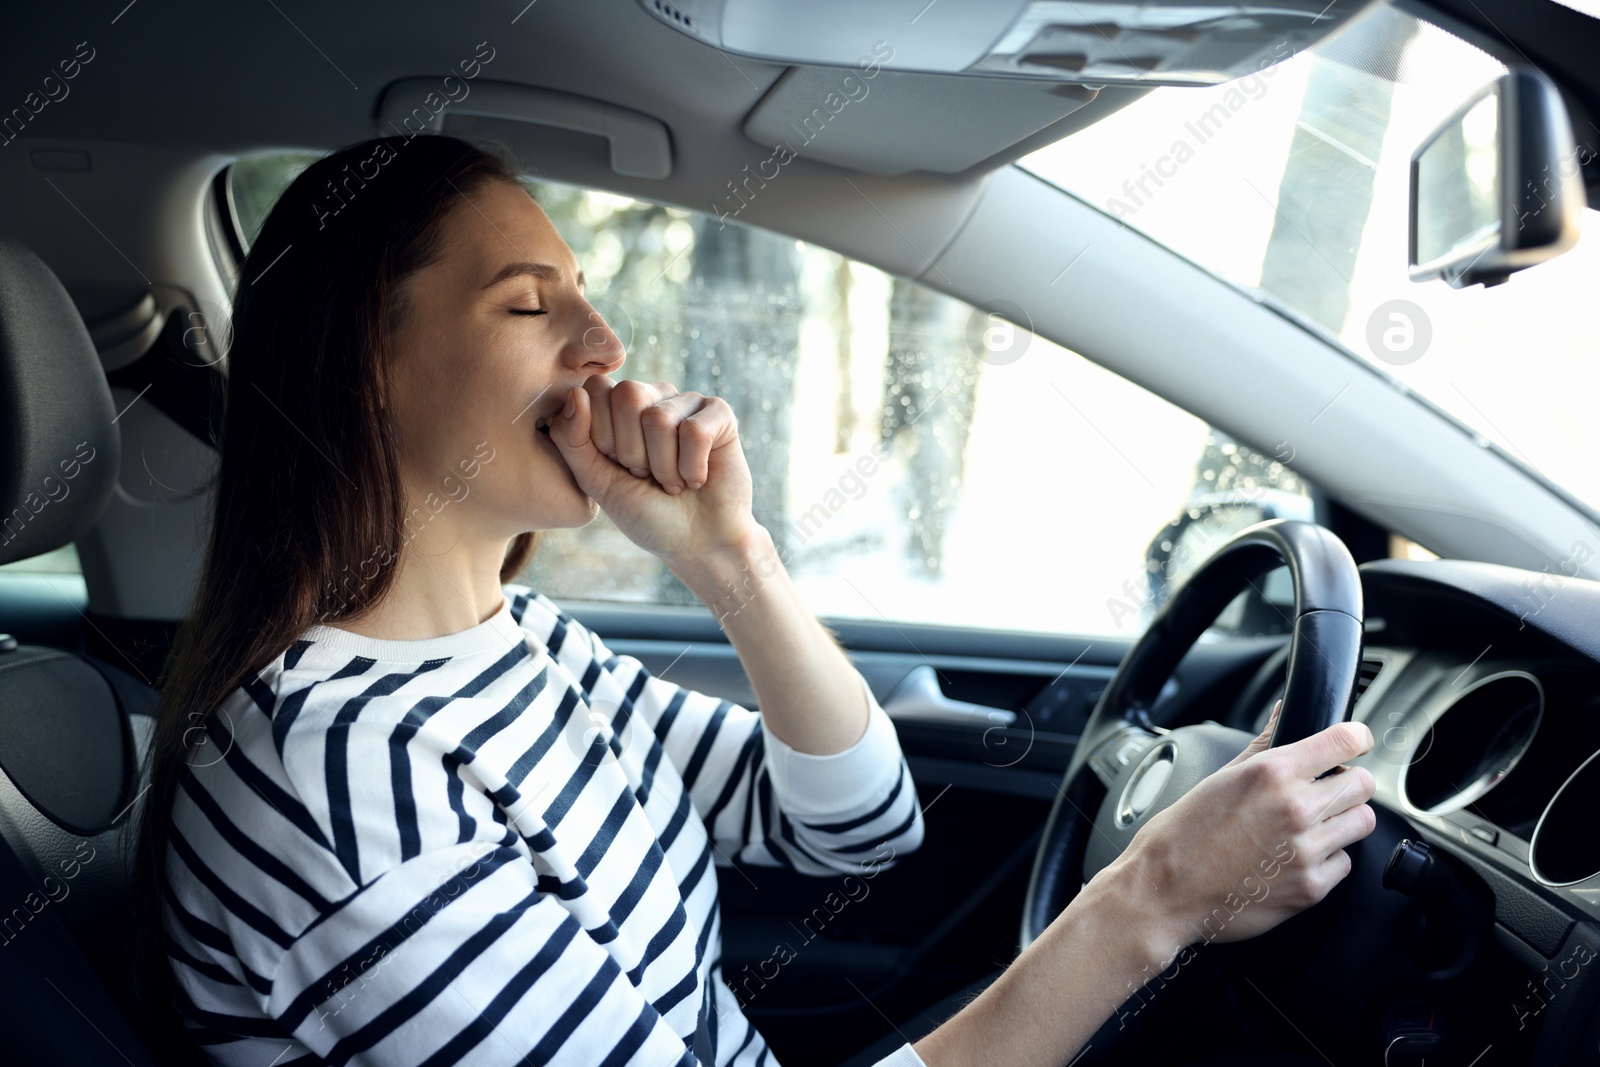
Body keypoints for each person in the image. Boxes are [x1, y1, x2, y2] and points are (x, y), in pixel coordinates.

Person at [134, 134, 1377, 1067]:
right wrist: (1153, 896)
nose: (603, 341)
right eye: (530, 302)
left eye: (582, 290)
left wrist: (732, 563)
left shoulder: (516, 644)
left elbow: (856, 828)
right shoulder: (335, 775)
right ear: (368, 365)